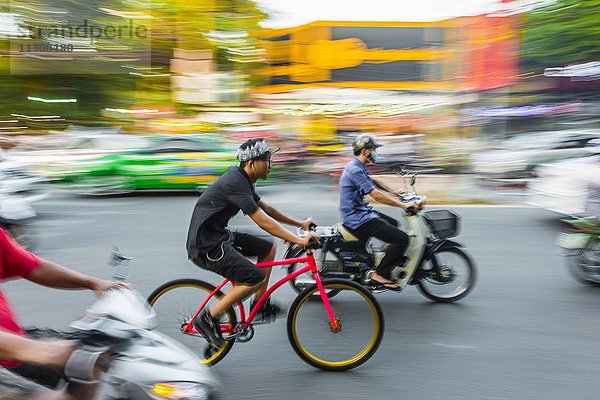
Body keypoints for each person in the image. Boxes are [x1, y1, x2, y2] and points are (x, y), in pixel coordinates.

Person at [186, 138, 319, 348]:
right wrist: (299, 239)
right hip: (207, 247)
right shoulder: (235, 183)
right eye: (267, 159)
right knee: (254, 278)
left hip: (219, 236)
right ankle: (209, 317)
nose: (270, 164)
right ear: (251, 164)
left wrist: (299, 223)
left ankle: (260, 303)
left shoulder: (243, 180)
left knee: (267, 247)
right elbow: (263, 221)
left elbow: (267, 210)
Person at [0, 226, 126, 399]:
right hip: (11, 352)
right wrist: (39, 350)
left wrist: (93, 283)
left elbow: (35, 267)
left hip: (17, 344)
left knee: (101, 356)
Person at [339, 134, 420, 291]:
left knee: (393, 224)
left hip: (360, 213)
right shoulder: (355, 169)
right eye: (373, 149)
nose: (375, 152)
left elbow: (373, 181)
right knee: (402, 239)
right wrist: (402, 206)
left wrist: (395, 191)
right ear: (364, 151)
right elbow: (375, 194)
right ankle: (379, 273)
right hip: (358, 219)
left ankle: (385, 258)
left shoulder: (357, 166)